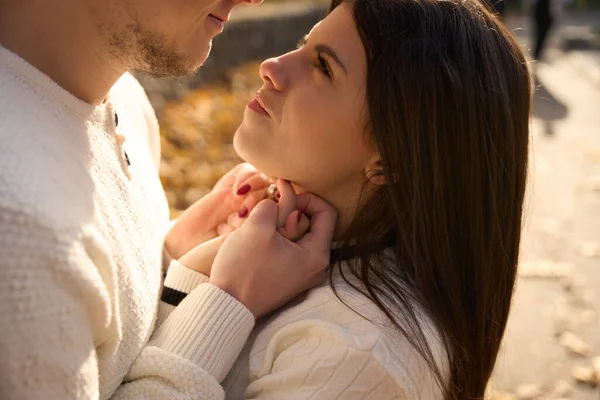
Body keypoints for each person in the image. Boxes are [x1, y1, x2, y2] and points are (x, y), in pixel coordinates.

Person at [177, 0, 532, 398]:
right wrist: (183, 257)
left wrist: (221, 298)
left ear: (391, 159)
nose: (272, 66)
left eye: (323, 67)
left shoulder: (355, 355)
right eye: (302, 44)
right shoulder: (275, 257)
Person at [0, 0, 337, 398]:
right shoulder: (17, 231)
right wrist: (228, 300)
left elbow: (111, 338)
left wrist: (175, 260)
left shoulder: (122, 97)